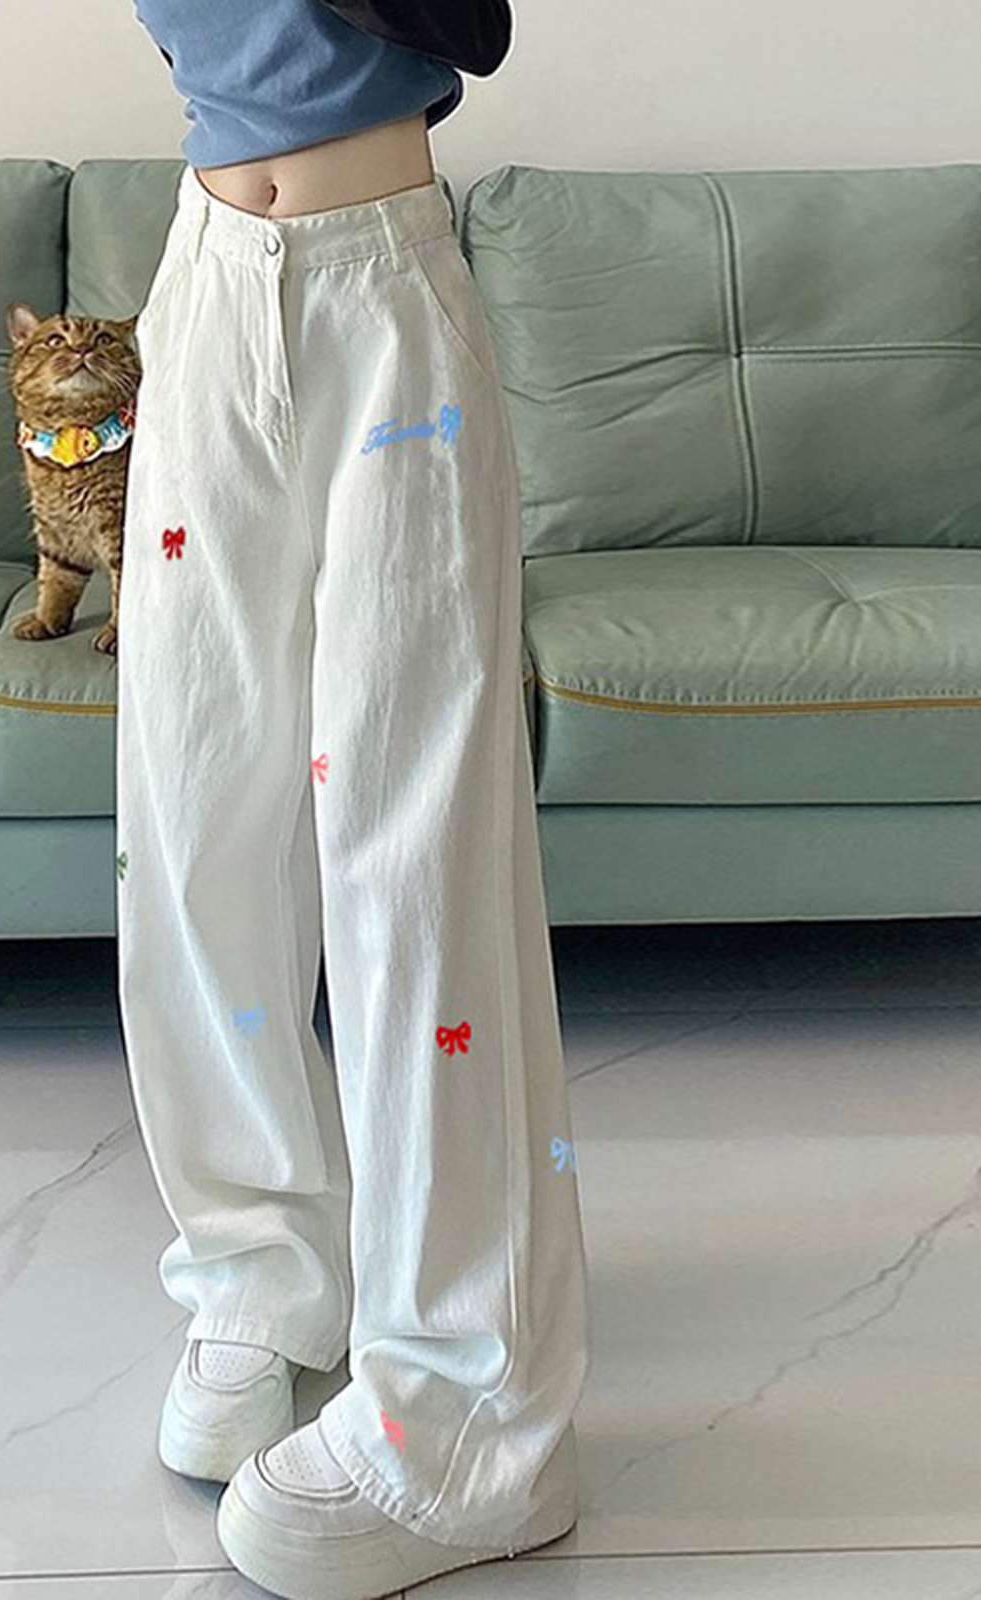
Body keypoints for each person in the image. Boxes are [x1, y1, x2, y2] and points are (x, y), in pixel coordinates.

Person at [113, 2, 591, 1595]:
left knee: (413, 851)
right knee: (195, 822)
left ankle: (472, 1411)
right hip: (205, 281)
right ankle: (261, 1264)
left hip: (383, 288)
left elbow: (475, 24)